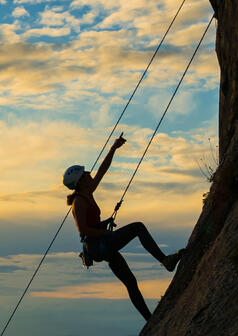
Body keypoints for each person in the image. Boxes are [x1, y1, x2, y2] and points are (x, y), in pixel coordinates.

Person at [63, 135, 184, 321]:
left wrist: (113, 148)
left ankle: (149, 320)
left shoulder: (88, 190)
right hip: (97, 245)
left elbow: (103, 169)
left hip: (100, 245)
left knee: (130, 282)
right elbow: (84, 231)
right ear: (80, 181)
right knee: (138, 227)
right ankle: (165, 261)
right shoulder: (79, 202)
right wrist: (104, 231)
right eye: (85, 174)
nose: (89, 174)